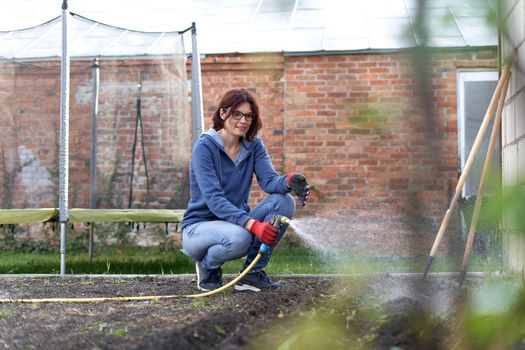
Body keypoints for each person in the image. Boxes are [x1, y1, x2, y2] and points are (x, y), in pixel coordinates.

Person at [181, 89, 310, 292]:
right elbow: (215, 200)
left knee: (285, 202)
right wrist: (253, 225)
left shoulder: (254, 146)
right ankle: (208, 266)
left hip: (235, 223)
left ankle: (251, 274)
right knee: (240, 237)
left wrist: (288, 181)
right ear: (223, 114)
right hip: (199, 229)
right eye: (237, 114)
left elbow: (268, 181)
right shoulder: (204, 148)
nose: (243, 121)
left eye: (249, 116)